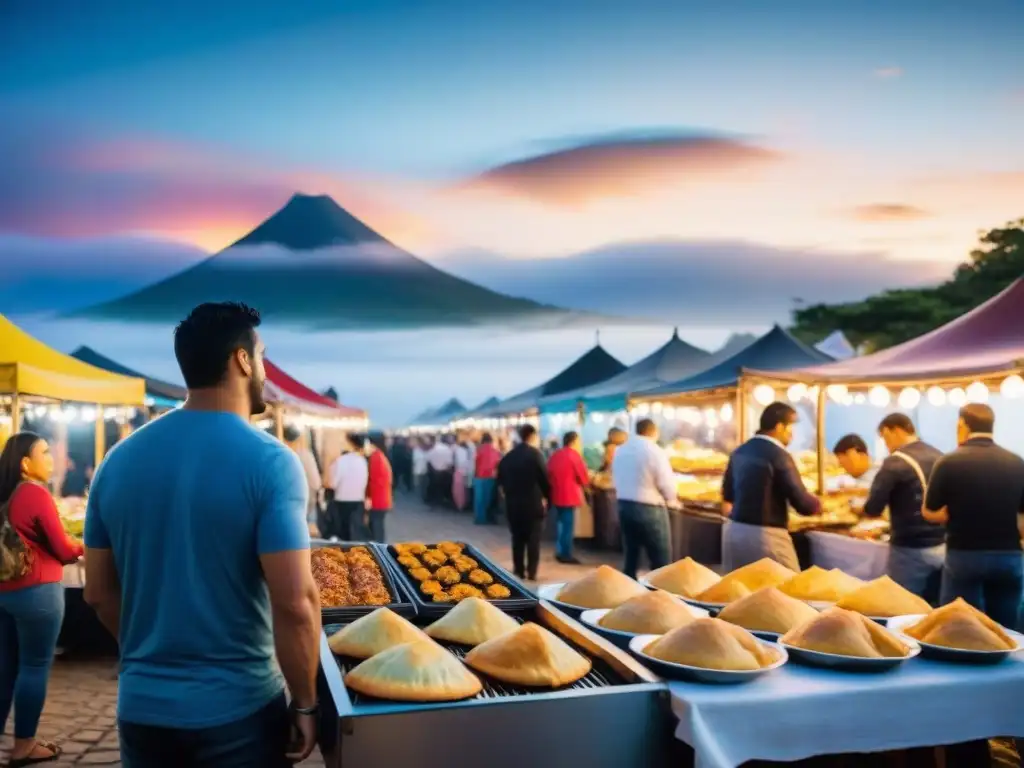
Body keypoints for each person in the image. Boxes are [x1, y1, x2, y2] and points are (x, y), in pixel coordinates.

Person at [83, 302, 321, 767]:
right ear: (242, 360)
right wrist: (306, 702)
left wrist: (147, 654)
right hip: (240, 710)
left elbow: (97, 593)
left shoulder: (117, 461)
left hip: (142, 711)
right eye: (263, 356)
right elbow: (295, 601)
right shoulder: (270, 462)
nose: (265, 372)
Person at [0, 432, 83, 767]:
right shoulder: (34, 493)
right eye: (45, 452)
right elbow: (63, 549)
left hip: (4, 592)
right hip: (37, 593)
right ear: (25, 463)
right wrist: (84, 547)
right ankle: (24, 746)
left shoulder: (5, 493)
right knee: (34, 667)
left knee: (4, 668)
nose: (52, 459)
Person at [925, 403, 1024, 629]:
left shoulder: (949, 462)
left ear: (962, 425)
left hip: (964, 555)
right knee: (1007, 629)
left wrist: (954, 512)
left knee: (958, 626)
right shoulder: (1017, 462)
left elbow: (930, 511)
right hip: (1009, 556)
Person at [836, 414, 946, 601]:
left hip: (910, 549)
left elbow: (873, 508)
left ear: (893, 431)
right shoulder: (940, 456)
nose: (885, 444)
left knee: (902, 605)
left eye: (884, 437)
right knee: (934, 604)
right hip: (942, 545)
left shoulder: (895, 462)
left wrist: (858, 509)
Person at [721, 402, 820, 571]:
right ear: (780, 427)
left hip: (734, 532)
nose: (793, 434)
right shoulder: (779, 455)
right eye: (791, 428)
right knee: (789, 590)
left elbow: (728, 496)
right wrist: (819, 504)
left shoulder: (740, 451)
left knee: (741, 590)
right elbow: (803, 504)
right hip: (766, 537)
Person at [612, 419, 676, 579]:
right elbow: (665, 482)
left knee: (631, 556)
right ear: (654, 432)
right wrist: (672, 499)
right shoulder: (654, 450)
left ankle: (629, 593)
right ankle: (659, 596)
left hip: (624, 506)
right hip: (650, 508)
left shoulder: (621, 450)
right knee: (660, 559)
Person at [496, 424, 550, 581]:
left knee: (517, 539)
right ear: (533, 436)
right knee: (533, 539)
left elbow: (499, 481)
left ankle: (519, 570)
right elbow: (544, 480)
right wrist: (547, 498)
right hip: (533, 504)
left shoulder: (508, 457)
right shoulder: (536, 455)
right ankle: (532, 572)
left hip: (513, 504)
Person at [547, 431, 591, 564]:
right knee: (567, 526)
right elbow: (583, 477)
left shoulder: (555, 455)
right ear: (574, 441)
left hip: (556, 494)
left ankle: (560, 550)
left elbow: (548, 472)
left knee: (561, 524)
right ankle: (565, 554)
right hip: (569, 495)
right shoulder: (574, 455)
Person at [328, 434, 368, 541]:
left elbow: (333, 484)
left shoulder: (340, 461)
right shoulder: (362, 461)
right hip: (358, 501)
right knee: (356, 533)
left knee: (343, 533)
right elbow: (364, 482)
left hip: (342, 501)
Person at [284, 426, 322, 534]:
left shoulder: (283, 455)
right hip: (308, 498)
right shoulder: (306, 455)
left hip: (289, 502)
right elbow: (316, 482)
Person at [363, 434, 393, 542]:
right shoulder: (380, 455)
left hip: (377, 500)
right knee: (378, 527)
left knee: (376, 529)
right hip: (382, 499)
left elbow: (373, 480)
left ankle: (379, 553)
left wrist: (368, 498)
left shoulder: (375, 457)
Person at [473, 433, 501, 525]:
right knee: (488, 499)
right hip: (491, 477)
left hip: (479, 477)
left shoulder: (478, 450)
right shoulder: (496, 451)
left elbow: (475, 462)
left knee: (479, 500)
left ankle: (480, 519)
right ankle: (488, 517)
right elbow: (498, 464)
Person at [426, 437, 454, 507]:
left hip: (435, 472)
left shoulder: (432, 450)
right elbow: (450, 463)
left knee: (436, 487)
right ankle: (443, 500)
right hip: (445, 472)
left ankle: (436, 500)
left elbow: (428, 461)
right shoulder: (448, 449)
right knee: (444, 487)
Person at [452, 432, 471, 511]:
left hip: (459, 471)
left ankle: (460, 505)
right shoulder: (467, 450)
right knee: (465, 489)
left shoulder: (458, 450)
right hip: (467, 471)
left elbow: (458, 462)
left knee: (459, 490)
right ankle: (464, 504)